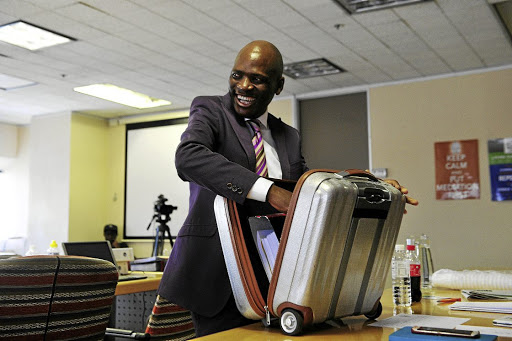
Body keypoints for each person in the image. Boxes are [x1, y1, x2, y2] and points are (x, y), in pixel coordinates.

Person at [157, 40, 418, 337]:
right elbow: (188, 156)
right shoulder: (211, 110)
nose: (244, 85)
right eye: (236, 75)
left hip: (275, 278)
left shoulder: (288, 136)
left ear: (278, 86)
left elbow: (313, 193)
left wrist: (375, 189)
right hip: (217, 276)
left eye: (257, 79)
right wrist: (270, 192)